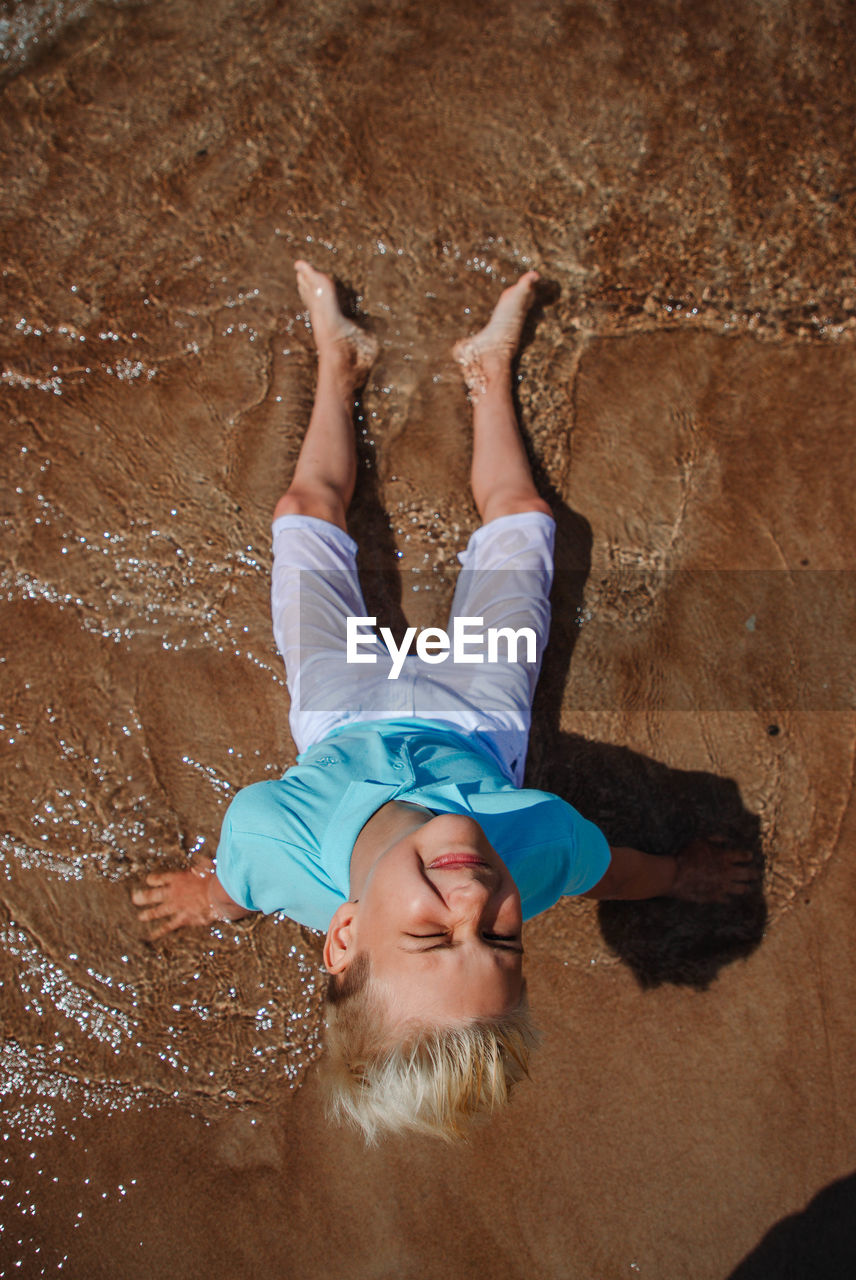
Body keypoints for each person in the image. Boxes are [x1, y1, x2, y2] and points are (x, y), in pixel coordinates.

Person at [132, 262, 757, 1142]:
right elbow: (608, 868)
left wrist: (209, 896)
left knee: (305, 506)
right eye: (504, 944)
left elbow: (243, 884)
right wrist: (677, 875)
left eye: (432, 941)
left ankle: (336, 358)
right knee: (520, 514)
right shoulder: (532, 844)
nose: (475, 910)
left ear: (342, 940)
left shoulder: (269, 835)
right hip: (476, 712)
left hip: (341, 711)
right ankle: (487, 368)